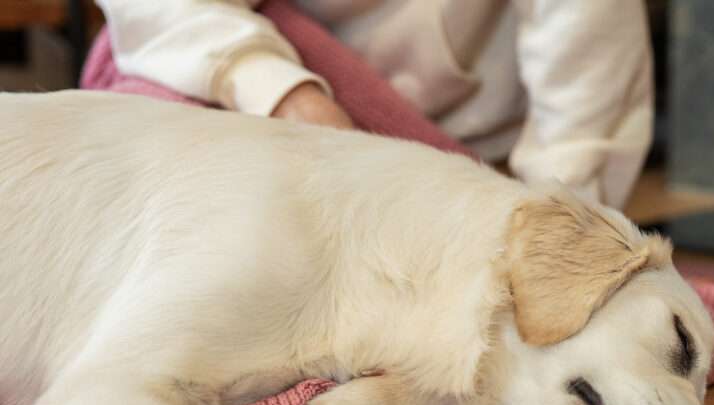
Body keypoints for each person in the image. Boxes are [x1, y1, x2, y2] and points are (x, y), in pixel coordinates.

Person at [94, 0, 653, 209]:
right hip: (265, 82)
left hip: (470, 151)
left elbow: (586, 42)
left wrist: (567, 208)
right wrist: (287, 95)